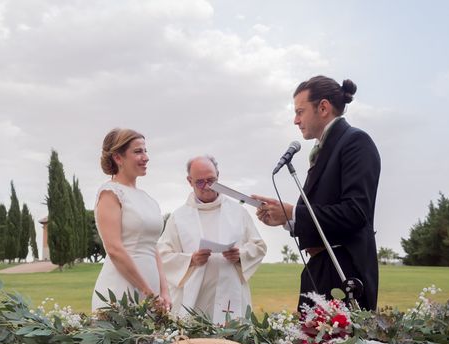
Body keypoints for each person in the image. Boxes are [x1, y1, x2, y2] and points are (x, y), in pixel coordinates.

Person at [254, 75, 381, 311]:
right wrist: (286, 218)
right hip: (320, 270)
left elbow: (355, 213)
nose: (295, 120)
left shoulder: (355, 142)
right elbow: (323, 210)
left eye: (300, 111)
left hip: (343, 272)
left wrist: (294, 214)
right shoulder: (324, 149)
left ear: (323, 107)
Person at [158, 155, 267, 324]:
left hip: (232, 293)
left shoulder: (238, 212)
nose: (207, 186)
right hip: (194, 297)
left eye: (211, 180)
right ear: (189, 181)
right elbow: (162, 255)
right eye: (200, 182)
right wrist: (190, 259)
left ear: (218, 176)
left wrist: (240, 255)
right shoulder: (179, 217)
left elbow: (258, 246)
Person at [91, 128, 171, 312]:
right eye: (138, 151)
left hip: (152, 292)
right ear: (118, 158)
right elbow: (114, 249)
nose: (146, 157)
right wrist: (147, 292)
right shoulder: (110, 193)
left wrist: (164, 291)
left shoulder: (148, 199)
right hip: (121, 289)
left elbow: (153, 247)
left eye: (145, 150)